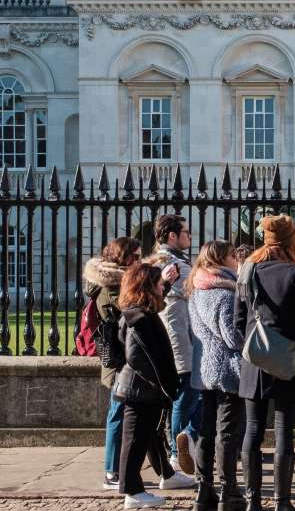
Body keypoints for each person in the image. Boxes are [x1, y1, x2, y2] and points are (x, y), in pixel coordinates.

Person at [234, 215, 295, 511]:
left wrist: (250, 348)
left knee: (252, 430)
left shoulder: (247, 269)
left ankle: (252, 501)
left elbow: (237, 322)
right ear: (291, 238)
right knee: (284, 432)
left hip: (254, 359)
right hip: (287, 356)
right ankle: (282, 501)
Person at [114, 263, 196, 509]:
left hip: (145, 389)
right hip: (141, 389)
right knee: (135, 440)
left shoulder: (143, 312)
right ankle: (132, 490)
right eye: (159, 283)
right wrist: (160, 382)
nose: (162, 287)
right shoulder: (138, 317)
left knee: (148, 437)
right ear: (147, 287)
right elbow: (137, 357)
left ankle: (155, 480)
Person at [186, 240, 246, 511]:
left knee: (206, 431)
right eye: (234, 257)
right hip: (227, 370)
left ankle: (203, 488)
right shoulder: (223, 293)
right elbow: (232, 337)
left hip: (205, 368)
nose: (237, 261)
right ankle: (228, 489)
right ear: (223, 260)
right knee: (227, 433)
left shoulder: (197, 289)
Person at [84, 236, 141, 490]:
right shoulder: (111, 287)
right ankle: (111, 471)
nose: (139, 261)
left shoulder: (117, 283)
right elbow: (125, 318)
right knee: (117, 414)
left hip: (122, 357)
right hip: (119, 359)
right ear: (123, 258)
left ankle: (121, 468)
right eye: (136, 257)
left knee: (123, 413)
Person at [146, 214, 199, 475]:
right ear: (172, 236)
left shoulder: (171, 261)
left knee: (186, 394)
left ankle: (183, 447)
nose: (190, 236)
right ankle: (179, 452)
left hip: (181, 335)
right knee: (186, 394)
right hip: (179, 337)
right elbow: (196, 289)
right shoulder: (173, 264)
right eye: (186, 232)